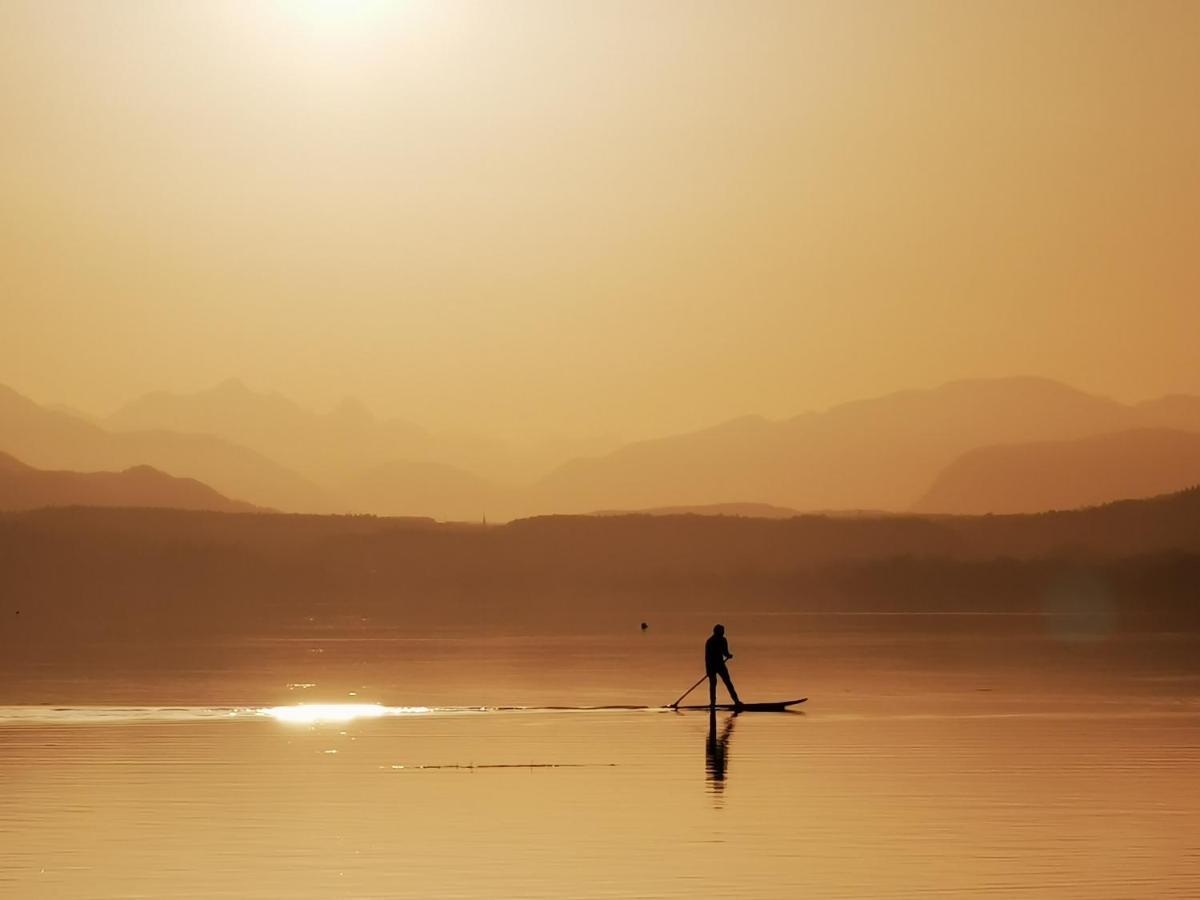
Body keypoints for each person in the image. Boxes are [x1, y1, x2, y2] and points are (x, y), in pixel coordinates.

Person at [704, 624, 741, 708]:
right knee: (714, 684)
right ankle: (713, 703)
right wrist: (708, 670)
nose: (723, 633)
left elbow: (725, 652)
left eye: (723, 631)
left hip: (720, 665)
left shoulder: (722, 640)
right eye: (722, 631)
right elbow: (707, 657)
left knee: (728, 682)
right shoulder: (710, 641)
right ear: (716, 631)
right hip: (713, 666)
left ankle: (736, 701)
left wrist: (728, 655)